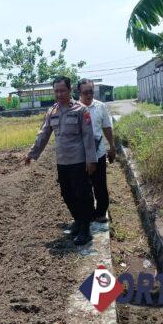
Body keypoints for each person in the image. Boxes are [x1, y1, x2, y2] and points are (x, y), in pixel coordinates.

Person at [24, 76, 98, 246]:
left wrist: (91, 160)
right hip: (62, 162)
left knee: (82, 195)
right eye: (56, 91)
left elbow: (88, 137)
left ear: (70, 90)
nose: (59, 94)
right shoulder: (52, 112)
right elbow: (43, 134)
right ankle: (78, 221)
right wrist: (32, 153)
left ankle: (85, 230)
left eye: (62, 90)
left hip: (79, 161)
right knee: (67, 194)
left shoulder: (80, 110)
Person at [77, 78, 116, 224]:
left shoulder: (100, 107)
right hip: (81, 155)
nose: (88, 95)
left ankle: (100, 212)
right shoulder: (74, 108)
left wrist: (112, 146)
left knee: (100, 184)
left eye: (91, 92)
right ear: (79, 93)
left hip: (98, 152)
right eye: (85, 92)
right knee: (84, 186)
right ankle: (87, 214)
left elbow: (106, 127)